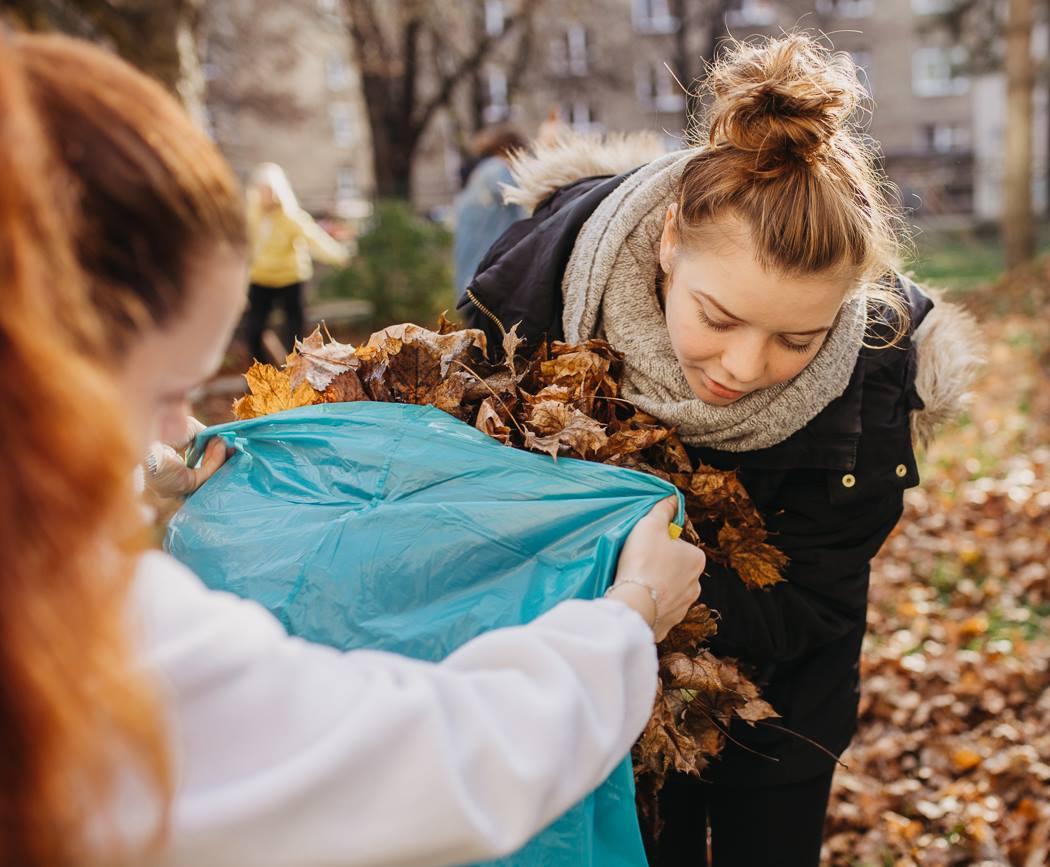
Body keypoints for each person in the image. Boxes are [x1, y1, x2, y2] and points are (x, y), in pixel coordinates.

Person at [0, 31, 705, 867]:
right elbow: (423, 765)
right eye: (162, 391)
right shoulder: (96, 639)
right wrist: (628, 617)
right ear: (40, 367)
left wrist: (120, 507)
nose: (182, 429)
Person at [458, 33, 982, 867]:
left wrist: (653, 586)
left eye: (796, 339)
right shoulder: (534, 292)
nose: (744, 367)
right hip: (595, 706)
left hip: (784, 715)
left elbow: (817, 600)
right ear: (669, 241)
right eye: (719, 317)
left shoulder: (873, 370)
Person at [245, 162, 349, 362]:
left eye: (269, 190)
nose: (266, 195)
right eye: (262, 190)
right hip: (261, 278)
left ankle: (299, 372)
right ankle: (263, 375)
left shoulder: (291, 217)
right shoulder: (252, 218)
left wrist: (339, 256)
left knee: (294, 332)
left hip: (290, 278)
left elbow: (314, 239)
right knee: (254, 330)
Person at [452, 126, 527, 295]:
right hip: (486, 263)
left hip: (474, 266)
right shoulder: (497, 170)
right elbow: (526, 192)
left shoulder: (483, 170)